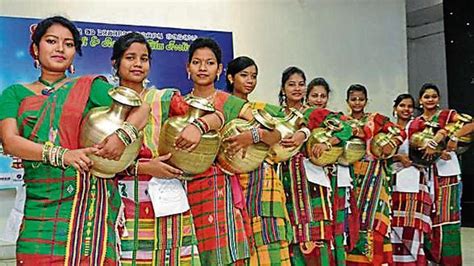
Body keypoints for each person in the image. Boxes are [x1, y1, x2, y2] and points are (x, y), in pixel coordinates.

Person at [0, 16, 146, 265]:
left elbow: (139, 109)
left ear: (75, 52)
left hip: (90, 209)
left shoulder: (89, 87)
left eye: (68, 44)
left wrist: (123, 136)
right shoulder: (15, 93)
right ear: (35, 48)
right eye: (51, 41)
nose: (60, 48)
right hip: (41, 205)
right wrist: (62, 155)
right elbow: (11, 141)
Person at [110, 32, 224, 265]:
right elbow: (96, 155)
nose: (138, 64)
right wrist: (142, 167)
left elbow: (218, 117)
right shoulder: (105, 102)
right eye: (130, 57)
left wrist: (199, 126)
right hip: (123, 198)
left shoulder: (165, 98)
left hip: (170, 196)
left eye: (144, 58)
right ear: (115, 63)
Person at [183, 37, 285, 265]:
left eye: (209, 63)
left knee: (227, 254)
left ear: (219, 69)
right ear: (187, 67)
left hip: (222, 191)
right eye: (197, 62)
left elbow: (276, 135)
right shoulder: (179, 104)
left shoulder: (230, 103)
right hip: (187, 189)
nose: (202, 68)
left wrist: (253, 136)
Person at [226, 56, 293, 265]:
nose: (249, 81)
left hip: (264, 183)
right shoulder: (223, 106)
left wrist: (255, 136)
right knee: (235, 242)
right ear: (230, 77)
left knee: (270, 237)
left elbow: (288, 128)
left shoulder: (264, 109)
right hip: (230, 182)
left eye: (253, 76)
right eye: (244, 75)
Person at [344, 84, 406, 265]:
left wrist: (392, 142)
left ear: (366, 100)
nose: (357, 103)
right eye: (353, 99)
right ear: (347, 101)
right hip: (351, 176)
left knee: (375, 220)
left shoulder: (376, 119)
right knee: (352, 218)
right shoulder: (343, 121)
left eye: (361, 99)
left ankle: (376, 261)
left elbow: (400, 132)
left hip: (375, 175)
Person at [408, 83, 466, 265]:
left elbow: (470, 124)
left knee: (447, 220)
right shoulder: (415, 123)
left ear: (438, 99)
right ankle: (430, 260)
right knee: (427, 219)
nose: (430, 99)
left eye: (434, 96)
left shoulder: (447, 116)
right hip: (423, 176)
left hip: (447, 174)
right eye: (426, 96)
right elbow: (414, 149)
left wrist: (451, 136)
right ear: (420, 100)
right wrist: (437, 151)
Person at [304, 77, 360, 265]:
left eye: (322, 96)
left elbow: (347, 130)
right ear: (307, 97)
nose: (318, 100)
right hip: (305, 179)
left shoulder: (330, 116)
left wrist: (328, 142)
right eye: (314, 95)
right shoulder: (303, 115)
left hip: (331, 178)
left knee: (336, 225)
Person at [390, 93, 432, 265]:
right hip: (392, 181)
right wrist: (399, 158)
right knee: (394, 227)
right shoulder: (388, 128)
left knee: (413, 228)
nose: (406, 109)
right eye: (402, 105)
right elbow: (377, 154)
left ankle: (417, 261)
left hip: (416, 182)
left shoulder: (421, 129)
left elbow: (430, 154)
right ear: (395, 108)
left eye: (409, 106)